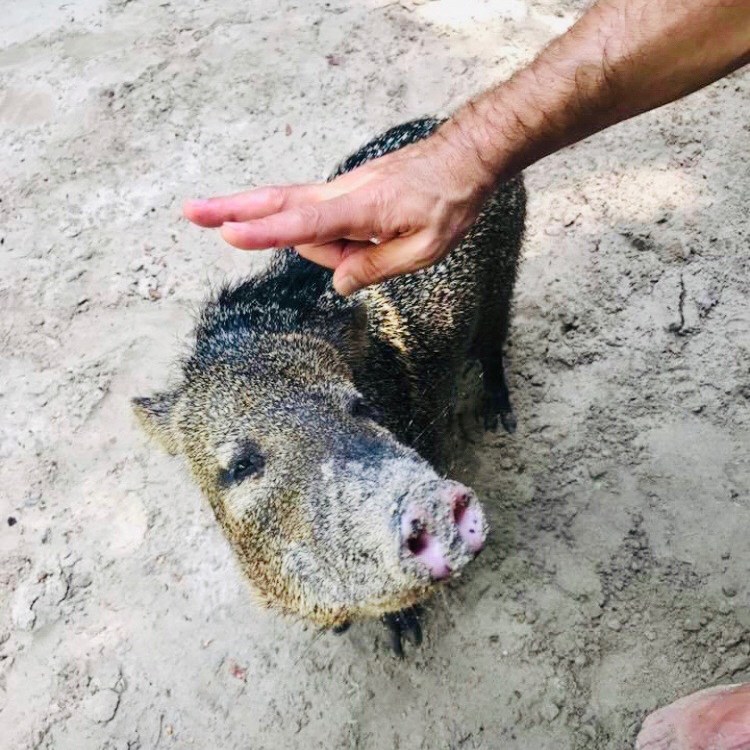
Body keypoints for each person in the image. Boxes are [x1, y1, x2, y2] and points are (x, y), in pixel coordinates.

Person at [184, 0, 750, 746]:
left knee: (484, 334)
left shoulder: (353, 353)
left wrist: (472, 162)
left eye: (354, 405)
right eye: (243, 463)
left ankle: (490, 368)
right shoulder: (206, 418)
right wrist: (465, 153)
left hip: (460, 231)